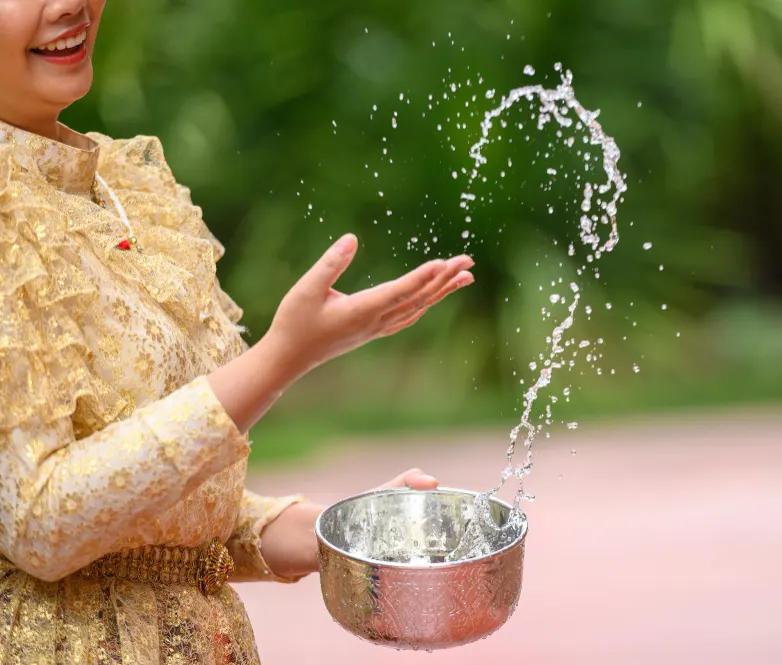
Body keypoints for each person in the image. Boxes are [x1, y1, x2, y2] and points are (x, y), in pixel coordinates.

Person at [0, 1, 476, 662]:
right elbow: (39, 520)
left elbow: (146, 508)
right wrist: (282, 358)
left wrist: (335, 533)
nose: (71, 4)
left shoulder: (120, 185)